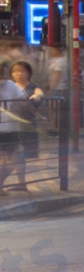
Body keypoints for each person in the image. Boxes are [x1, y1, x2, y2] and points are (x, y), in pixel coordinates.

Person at [0, 66, 25, 194]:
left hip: (8, 128)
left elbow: (22, 100)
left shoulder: (9, 85)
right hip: (5, 128)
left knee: (13, 156)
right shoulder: (8, 85)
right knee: (14, 157)